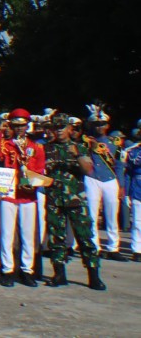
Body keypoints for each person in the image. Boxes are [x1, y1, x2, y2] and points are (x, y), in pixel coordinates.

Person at [43, 115, 106, 290]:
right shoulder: (47, 148)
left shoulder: (79, 147)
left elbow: (88, 170)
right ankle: (59, 274)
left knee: (85, 238)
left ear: (70, 129)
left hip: (76, 200)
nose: (59, 130)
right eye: (56, 127)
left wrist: (76, 155)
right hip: (55, 199)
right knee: (56, 238)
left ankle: (94, 275)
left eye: (62, 127)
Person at [0, 108, 45, 287]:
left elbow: (39, 168)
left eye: (22, 125)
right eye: (15, 125)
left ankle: (27, 269)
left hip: (28, 196)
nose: (19, 129)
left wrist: (32, 181)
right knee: (7, 234)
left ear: (27, 126)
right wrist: (0, 131)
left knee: (28, 235)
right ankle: (7, 269)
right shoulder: (6, 144)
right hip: (8, 194)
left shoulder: (36, 147)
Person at [81, 106, 126, 261]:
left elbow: (120, 164)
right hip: (92, 178)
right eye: (96, 124)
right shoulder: (86, 141)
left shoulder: (116, 142)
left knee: (112, 214)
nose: (99, 127)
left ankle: (113, 247)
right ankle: (95, 246)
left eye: (102, 124)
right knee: (92, 214)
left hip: (110, 179)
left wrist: (121, 184)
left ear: (107, 125)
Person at [120, 129, 141, 262]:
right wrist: (127, 193)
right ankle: (137, 249)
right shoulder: (132, 151)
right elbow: (128, 173)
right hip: (138, 188)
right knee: (138, 222)